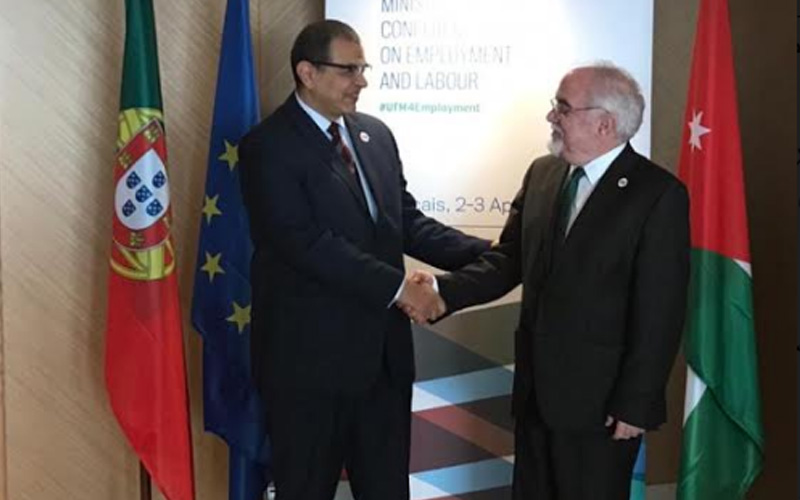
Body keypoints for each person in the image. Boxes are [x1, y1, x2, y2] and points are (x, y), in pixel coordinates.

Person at [238, 20, 490, 500]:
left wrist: (491, 254)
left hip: (382, 365)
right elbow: (305, 243)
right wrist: (401, 289)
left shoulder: (375, 135)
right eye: (349, 70)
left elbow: (405, 223)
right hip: (308, 370)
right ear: (307, 73)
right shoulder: (267, 146)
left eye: (363, 68)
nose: (362, 81)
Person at [416, 63, 690, 500]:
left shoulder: (657, 195)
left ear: (605, 123)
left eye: (563, 108)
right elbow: (510, 260)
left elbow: (660, 310)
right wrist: (441, 292)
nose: (551, 117)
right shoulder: (543, 173)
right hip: (536, 396)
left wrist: (636, 402)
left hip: (602, 406)